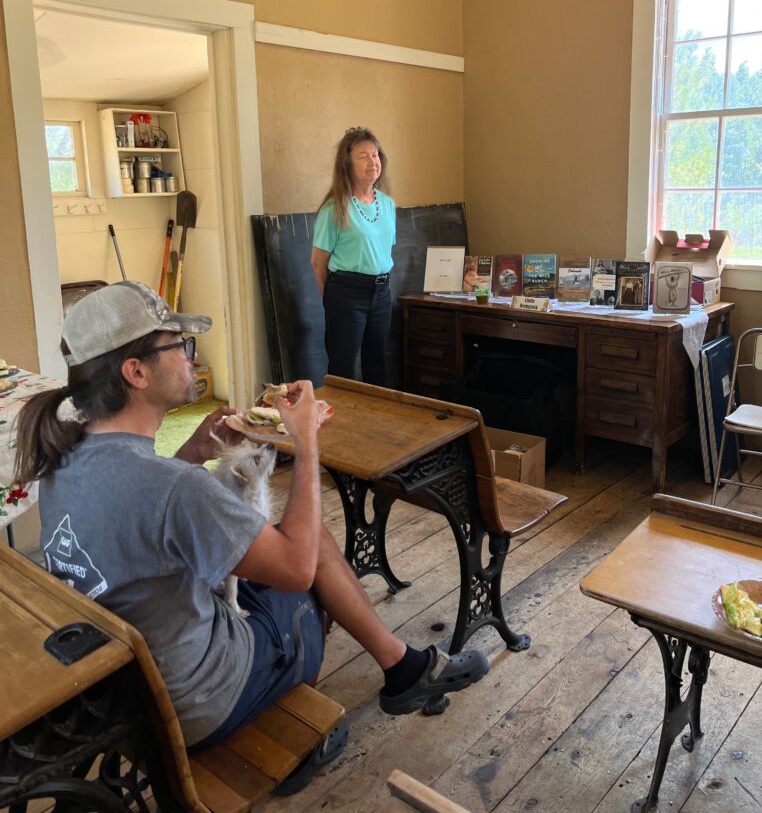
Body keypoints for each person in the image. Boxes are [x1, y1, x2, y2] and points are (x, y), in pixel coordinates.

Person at [12, 282, 488, 779]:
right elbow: (297, 568)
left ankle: (403, 668)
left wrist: (196, 452)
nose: (189, 356)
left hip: (126, 698)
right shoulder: (175, 489)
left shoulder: (61, 460)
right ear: (135, 372)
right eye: (178, 345)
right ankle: (323, 724)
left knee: (298, 546)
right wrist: (305, 443)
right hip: (197, 704)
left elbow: (139, 514)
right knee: (314, 556)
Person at [311, 127, 396, 386]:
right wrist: (334, 300)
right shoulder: (334, 208)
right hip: (346, 294)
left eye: (375, 155)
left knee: (377, 364)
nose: (373, 161)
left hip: (382, 293)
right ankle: (341, 424)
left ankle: (375, 424)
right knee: (343, 367)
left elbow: (384, 251)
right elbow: (317, 263)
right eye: (363, 156)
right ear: (347, 164)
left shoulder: (388, 204)